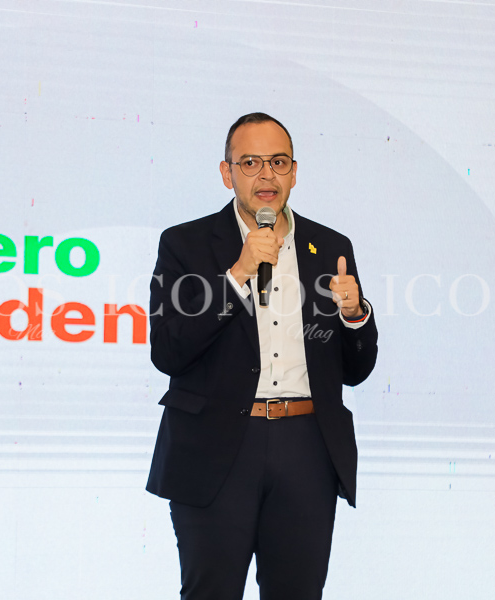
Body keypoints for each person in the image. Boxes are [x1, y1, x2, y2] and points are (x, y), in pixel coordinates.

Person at [147, 113, 378, 600]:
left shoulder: (330, 247)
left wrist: (355, 315)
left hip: (306, 446)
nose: (266, 175)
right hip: (215, 446)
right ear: (227, 173)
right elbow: (168, 351)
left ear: (294, 172)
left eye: (278, 162)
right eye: (250, 162)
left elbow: (355, 371)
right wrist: (238, 274)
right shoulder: (185, 244)